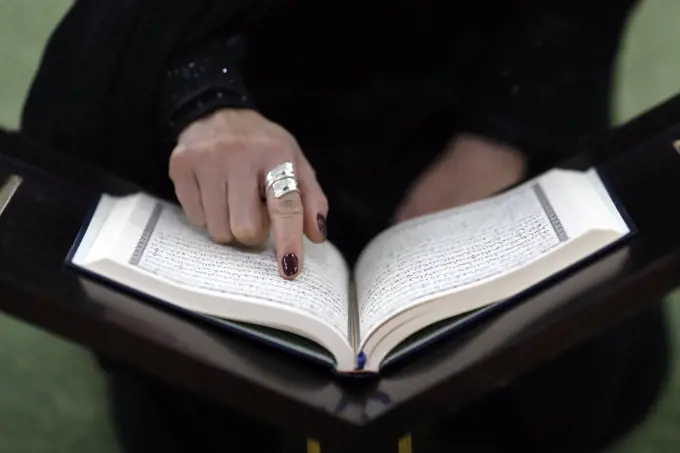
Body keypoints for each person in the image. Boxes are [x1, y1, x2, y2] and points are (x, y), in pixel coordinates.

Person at [21, 0, 670, 451]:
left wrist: (503, 131)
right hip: (267, 100)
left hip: (482, 76)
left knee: (566, 365)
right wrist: (206, 100)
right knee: (215, 399)